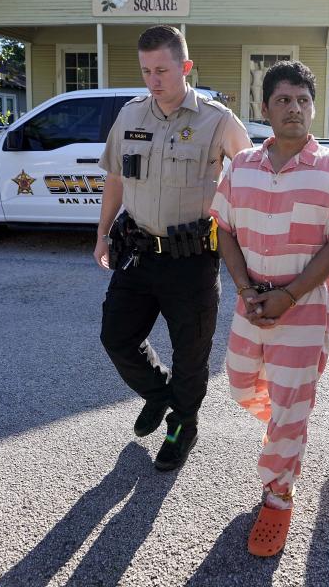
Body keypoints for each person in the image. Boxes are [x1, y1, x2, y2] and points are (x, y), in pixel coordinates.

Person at [211, 60, 329, 557]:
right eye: (283, 100)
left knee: (288, 407)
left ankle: (277, 496)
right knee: (240, 384)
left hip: (302, 306)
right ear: (265, 109)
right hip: (250, 301)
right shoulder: (240, 167)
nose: (295, 109)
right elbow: (226, 231)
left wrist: (289, 295)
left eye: (303, 100)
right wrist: (244, 289)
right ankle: (286, 419)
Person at [94, 25, 250, 472]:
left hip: (192, 259)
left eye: (162, 69)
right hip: (138, 252)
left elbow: (251, 177)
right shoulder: (131, 116)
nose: (153, 79)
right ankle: (158, 392)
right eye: (146, 71)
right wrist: (102, 233)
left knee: (192, 354)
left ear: (185, 67)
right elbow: (116, 179)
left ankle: (183, 423)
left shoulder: (217, 120)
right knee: (116, 336)